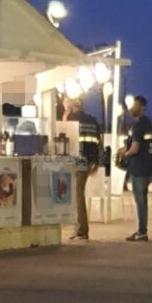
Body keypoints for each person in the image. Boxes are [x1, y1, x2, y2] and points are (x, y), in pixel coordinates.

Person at [63, 98, 101, 240]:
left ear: (70, 105)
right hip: (89, 160)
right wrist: (96, 162)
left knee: (77, 195)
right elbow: (98, 142)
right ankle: (80, 229)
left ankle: (82, 230)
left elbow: (65, 136)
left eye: (65, 105)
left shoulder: (71, 119)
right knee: (79, 194)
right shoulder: (93, 120)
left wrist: (65, 117)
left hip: (77, 159)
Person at [122, 96, 152, 242]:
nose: (132, 108)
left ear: (141, 106)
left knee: (140, 200)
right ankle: (142, 230)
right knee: (143, 199)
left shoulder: (138, 126)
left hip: (139, 167)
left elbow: (135, 148)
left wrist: (125, 154)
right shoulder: (149, 124)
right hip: (149, 166)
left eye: (135, 105)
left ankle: (142, 231)